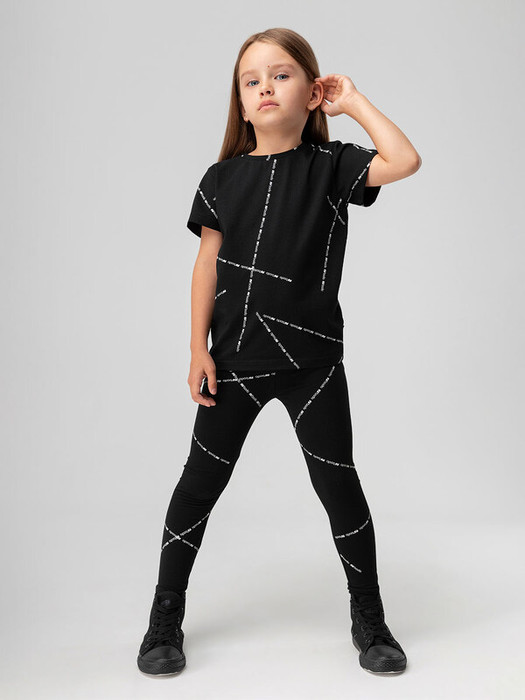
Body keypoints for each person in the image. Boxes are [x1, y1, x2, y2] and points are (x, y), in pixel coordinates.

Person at [137, 27, 421, 678]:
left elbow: (403, 160)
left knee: (339, 486)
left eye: (282, 74)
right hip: (234, 360)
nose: (266, 86)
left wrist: (353, 102)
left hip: (311, 363)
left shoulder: (333, 166)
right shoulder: (220, 179)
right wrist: (197, 349)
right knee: (197, 487)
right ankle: (163, 618)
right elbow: (206, 266)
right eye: (252, 80)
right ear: (240, 104)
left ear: (311, 91)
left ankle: (370, 618)